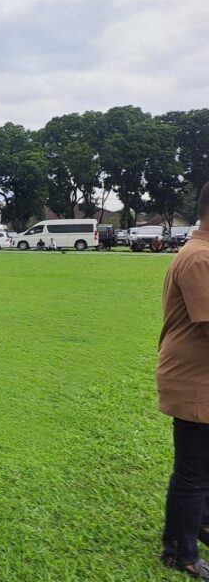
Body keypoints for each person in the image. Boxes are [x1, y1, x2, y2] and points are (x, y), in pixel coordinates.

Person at [157, 181, 209, 580]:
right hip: (195, 382)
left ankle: (201, 525)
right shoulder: (199, 258)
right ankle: (179, 552)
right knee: (193, 472)